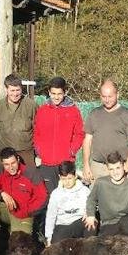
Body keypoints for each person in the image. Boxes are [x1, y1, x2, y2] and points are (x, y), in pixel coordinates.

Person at [33, 77, 84, 238]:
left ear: (65, 93)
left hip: (65, 162)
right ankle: (47, 233)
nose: (56, 97)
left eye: (59, 94)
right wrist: (40, 150)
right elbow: (37, 133)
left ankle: (68, 230)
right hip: (47, 163)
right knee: (48, 198)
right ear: (49, 92)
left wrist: (71, 151)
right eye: (53, 93)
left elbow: (79, 133)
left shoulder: (73, 110)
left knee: (66, 195)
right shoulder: (42, 110)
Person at [84, 152, 128, 249]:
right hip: (108, 223)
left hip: (126, 223)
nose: (115, 172)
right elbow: (91, 200)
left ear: (124, 166)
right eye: (111, 169)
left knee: (126, 229)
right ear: (107, 169)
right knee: (104, 249)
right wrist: (90, 214)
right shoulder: (101, 183)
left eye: (118, 168)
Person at [82, 80, 128, 183]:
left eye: (110, 96)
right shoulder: (94, 114)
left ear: (117, 95)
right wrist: (86, 165)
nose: (107, 100)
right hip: (97, 167)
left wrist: (126, 168)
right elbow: (87, 140)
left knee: (119, 198)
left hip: (118, 168)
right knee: (97, 198)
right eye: (104, 97)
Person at [0, 147, 48, 234]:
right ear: (2, 163)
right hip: (7, 209)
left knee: (19, 241)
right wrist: (1, 194)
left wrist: (27, 211)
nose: (11, 167)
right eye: (7, 164)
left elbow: (43, 198)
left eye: (13, 163)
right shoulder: (0, 171)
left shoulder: (32, 173)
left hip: (24, 214)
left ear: (18, 159)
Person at [0, 73, 38, 167]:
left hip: (26, 152)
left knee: (29, 179)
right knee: (3, 179)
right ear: (6, 90)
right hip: (5, 152)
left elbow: (38, 128)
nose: (15, 93)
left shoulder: (31, 105)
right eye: (12, 90)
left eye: (18, 90)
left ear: (22, 89)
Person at [44, 161, 93, 246]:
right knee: (56, 248)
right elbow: (50, 217)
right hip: (63, 225)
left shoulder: (84, 191)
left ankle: (88, 250)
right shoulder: (56, 194)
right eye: (64, 179)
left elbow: (92, 204)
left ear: (75, 176)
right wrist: (48, 238)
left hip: (79, 222)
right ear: (59, 177)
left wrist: (89, 212)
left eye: (69, 178)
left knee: (92, 223)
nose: (67, 182)